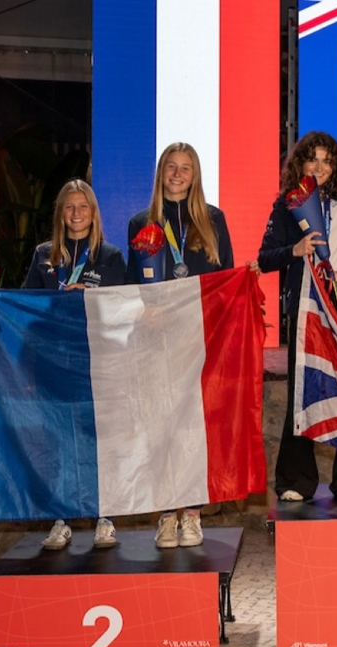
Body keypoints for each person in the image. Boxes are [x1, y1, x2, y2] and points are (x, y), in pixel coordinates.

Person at [259, 58, 337, 503]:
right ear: (301, 164)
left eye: (328, 160)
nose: (321, 166)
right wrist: (295, 250)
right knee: (302, 390)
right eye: (313, 159)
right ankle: (295, 481)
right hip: (308, 301)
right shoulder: (286, 205)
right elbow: (264, 258)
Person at [126, 142, 235, 549]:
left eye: (185, 168)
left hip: (197, 340)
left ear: (195, 175)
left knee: (193, 430)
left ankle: (191, 514)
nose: (177, 174)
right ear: (160, 174)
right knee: (161, 429)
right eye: (170, 167)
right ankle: (165, 515)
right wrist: (144, 308)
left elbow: (225, 282)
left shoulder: (212, 219)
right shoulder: (141, 222)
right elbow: (135, 282)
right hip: (156, 341)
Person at [23, 179, 128, 550]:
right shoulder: (43, 256)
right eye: (69, 207)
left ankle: (105, 517)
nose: (76, 214)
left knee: (98, 441)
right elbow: (26, 310)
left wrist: (93, 297)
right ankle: (61, 519)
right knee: (57, 443)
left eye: (83, 207)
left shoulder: (111, 257)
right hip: (53, 363)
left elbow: (126, 308)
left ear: (94, 213)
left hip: (97, 363)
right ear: (60, 214)